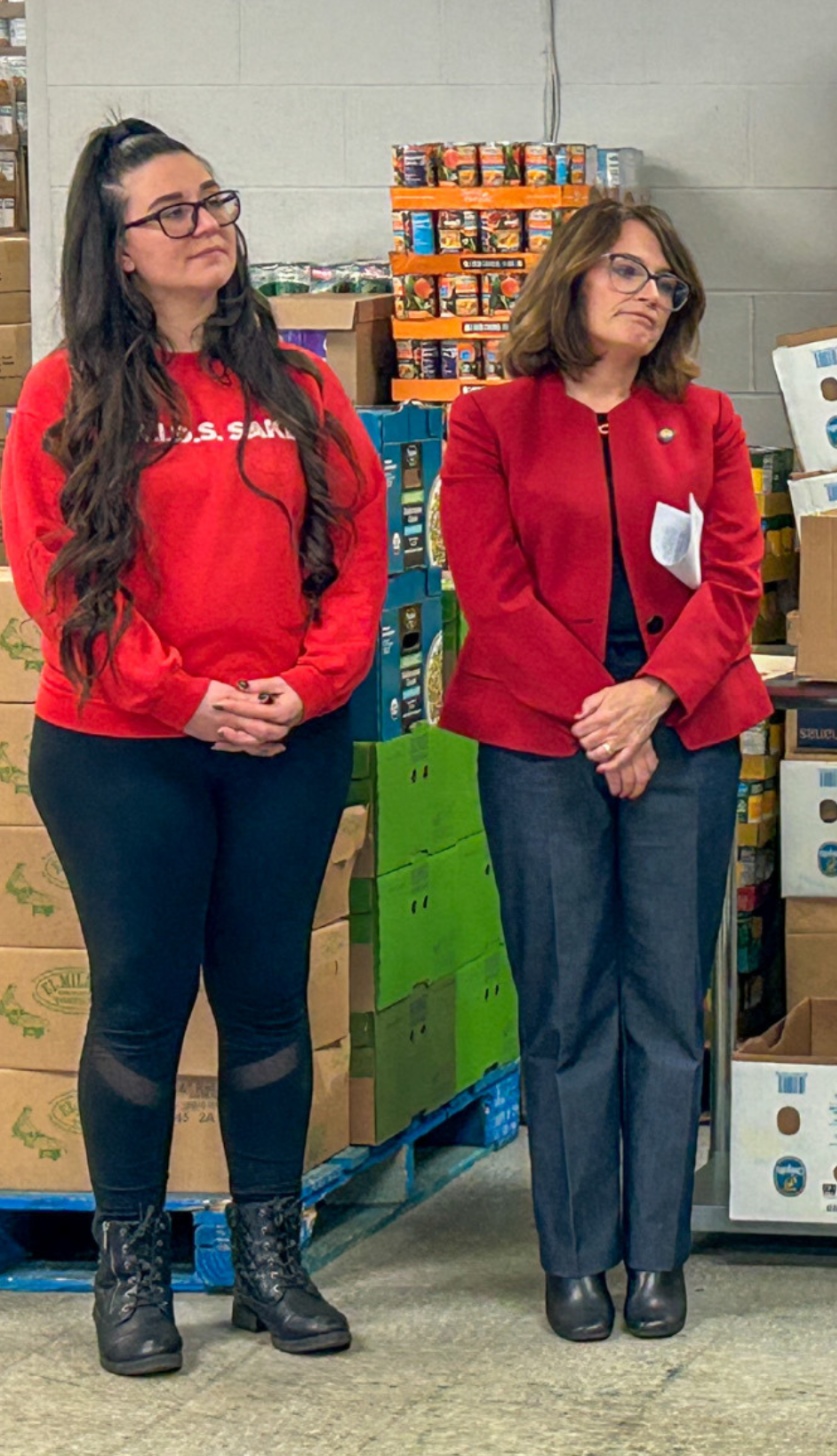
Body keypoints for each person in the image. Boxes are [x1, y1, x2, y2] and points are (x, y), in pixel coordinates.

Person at [0, 120, 387, 1375]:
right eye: (171, 211)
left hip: (286, 737)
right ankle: (133, 1275)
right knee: (139, 1006)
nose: (206, 222)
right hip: (124, 750)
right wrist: (182, 699)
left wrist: (310, 683)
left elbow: (362, 546)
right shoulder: (65, 394)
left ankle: (271, 1259)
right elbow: (60, 579)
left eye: (213, 200)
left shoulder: (300, 383)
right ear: (114, 251)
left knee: (269, 1000)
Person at [438, 199, 766, 1345]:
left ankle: (658, 1255)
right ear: (572, 279)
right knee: (567, 997)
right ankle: (574, 1257)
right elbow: (490, 586)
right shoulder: (487, 423)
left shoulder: (708, 421)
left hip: (682, 723)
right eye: (627, 269)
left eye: (667, 282)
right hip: (542, 733)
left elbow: (732, 583)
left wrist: (653, 702)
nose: (647, 292)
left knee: (667, 999)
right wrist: (600, 718)